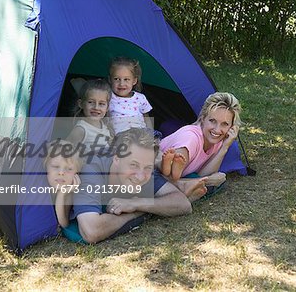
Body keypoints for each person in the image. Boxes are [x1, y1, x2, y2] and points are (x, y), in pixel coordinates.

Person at [68, 128, 201, 244]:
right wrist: (137, 212)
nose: (140, 176)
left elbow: (183, 204)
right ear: (116, 159)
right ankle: (182, 182)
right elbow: (91, 231)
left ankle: (180, 180)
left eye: (148, 168)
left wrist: (137, 203)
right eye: (133, 165)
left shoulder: (142, 164)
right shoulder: (92, 169)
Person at [158, 92, 242, 201]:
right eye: (212, 121)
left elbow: (201, 174)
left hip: (176, 179)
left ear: (232, 127)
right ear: (203, 119)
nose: (217, 129)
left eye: (225, 124)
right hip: (151, 172)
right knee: (214, 182)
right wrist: (209, 181)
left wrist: (224, 148)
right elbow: (164, 179)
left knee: (216, 180)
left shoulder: (218, 140)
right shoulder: (190, 139)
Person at [107, 57, 154, 134]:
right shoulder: (108, 97)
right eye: (116, 79)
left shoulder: (140, 98)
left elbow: (147, 118)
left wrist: (151, 134)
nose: (121, 84)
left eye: (126, 79)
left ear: (134, 81)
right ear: (110, 79)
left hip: (140, 136)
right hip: (119, 138)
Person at [44, 139, 83, 227]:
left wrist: (61, 194)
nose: (61, 173)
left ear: (76, 173)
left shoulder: (69, 194)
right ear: (46, 167)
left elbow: (63, 224)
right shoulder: (39, 186)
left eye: (69, 169)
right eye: (55, 166)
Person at [66, 79, 113, 152]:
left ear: (107, 107)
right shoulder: (81, 129)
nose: (96, 107)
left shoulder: (105, 126)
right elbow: (65, 152)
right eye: (91, 102)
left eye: (101, 104)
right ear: (81, 104)